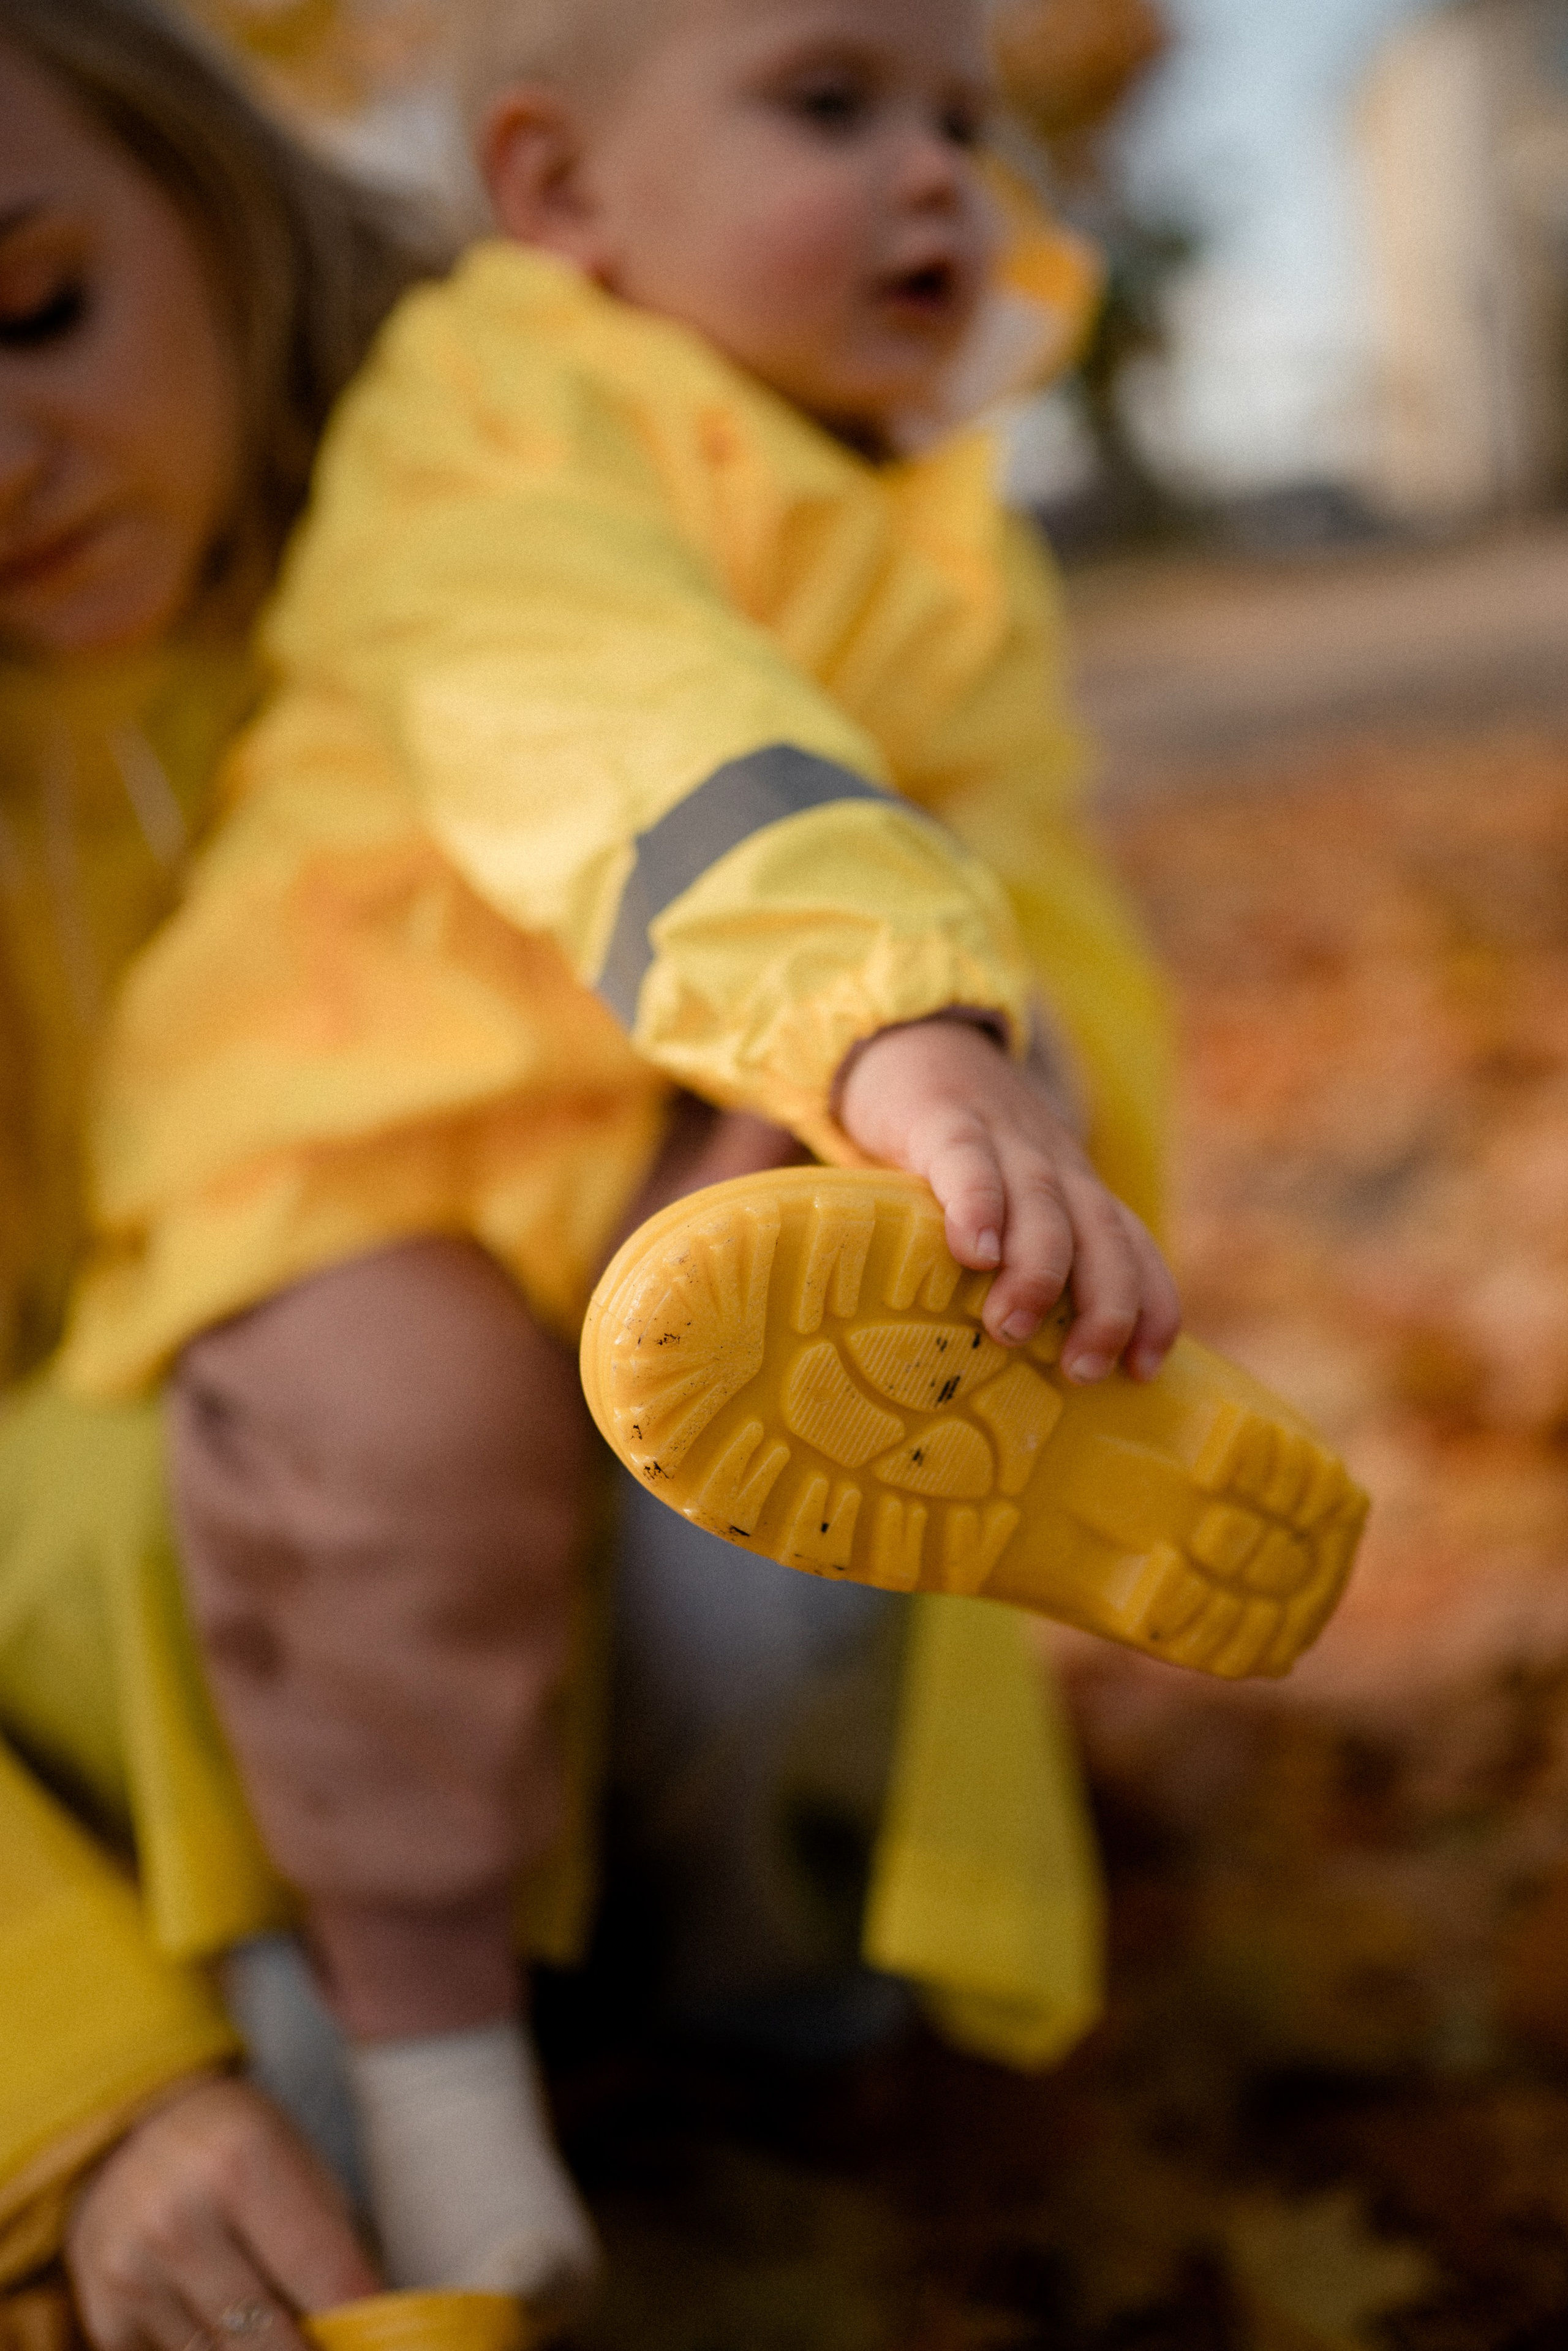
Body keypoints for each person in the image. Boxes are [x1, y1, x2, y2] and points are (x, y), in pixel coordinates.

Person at [50, 0, 1359, 2329]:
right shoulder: (498, 408)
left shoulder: (933, 529)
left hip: (702, 1116)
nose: (944, 175)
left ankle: (782, 1983)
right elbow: (605, 698)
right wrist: (894, 1019)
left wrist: (1018, 1062)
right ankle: (433, 2090)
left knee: (821, 1422)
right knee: (393, 1463)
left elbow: (1029, 848)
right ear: (559, 194)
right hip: (357, 1134)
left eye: (965, 119)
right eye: (833, 106)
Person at [0, 1, 439, 2342]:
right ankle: (305, 2155)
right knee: (134, 1495)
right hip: (112, 1702)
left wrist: (964, 1067)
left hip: (588, 1522)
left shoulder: (535, 487)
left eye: (34, 302)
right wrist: (72, 2087)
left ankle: (790, 2001)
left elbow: (919, 825)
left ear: (201, 174)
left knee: (751, 1446)